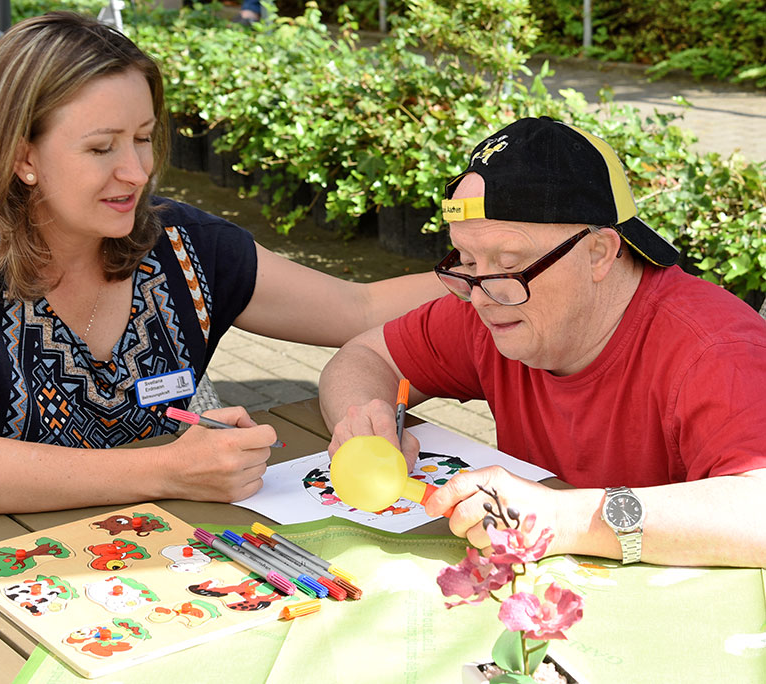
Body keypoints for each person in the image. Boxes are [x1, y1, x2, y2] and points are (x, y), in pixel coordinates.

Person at [0, 12, 444, 515]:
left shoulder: (181, 243)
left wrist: (489, 270)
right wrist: (167, 470)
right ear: (23, 157)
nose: (137, 171)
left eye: (144, 138)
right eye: (102, 148)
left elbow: (358, 307)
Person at [319, 116, 766, 568]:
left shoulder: (716, 352)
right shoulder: (493, 302)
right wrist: (364, 424)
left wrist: (564, 516)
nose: (478, 295)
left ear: (598, 253)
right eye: (467, 260)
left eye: (508, 262)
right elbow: (363, 355)